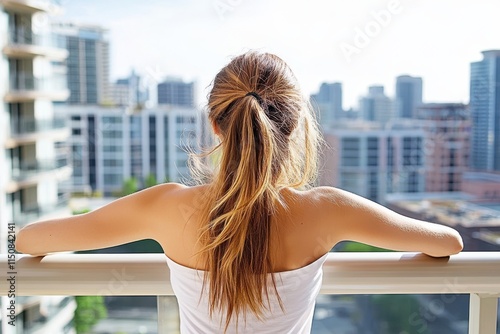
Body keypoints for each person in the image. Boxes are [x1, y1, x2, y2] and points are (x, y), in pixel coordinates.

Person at [16, 51, 463, 334]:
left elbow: (30, 240)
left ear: (214, 123)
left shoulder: (166, 207)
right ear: (296, 126)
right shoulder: (327, 210)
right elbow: (447, 243)